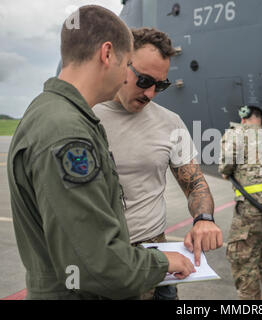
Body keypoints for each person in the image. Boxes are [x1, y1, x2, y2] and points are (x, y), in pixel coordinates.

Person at [7, 5, 195, 300]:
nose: (125, 79)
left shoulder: (50, 111)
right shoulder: (67, 132)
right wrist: (162, 262)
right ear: (107, 54)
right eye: (128, 65)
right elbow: (97, 264)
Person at [93, 27, 223, 300]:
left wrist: (204, 219)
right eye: (143, 80)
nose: (150, 93)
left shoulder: (170, 123)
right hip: (103, 259)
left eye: (160, 85)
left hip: (155, 258)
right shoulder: (87, 115)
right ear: (120, 62)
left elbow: (196, 184)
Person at [219, 105, 262, 300]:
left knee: (242, 256)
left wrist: (226, 170)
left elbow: (226, 163)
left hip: (252, 204)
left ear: (244, 117)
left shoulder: (237, 132)